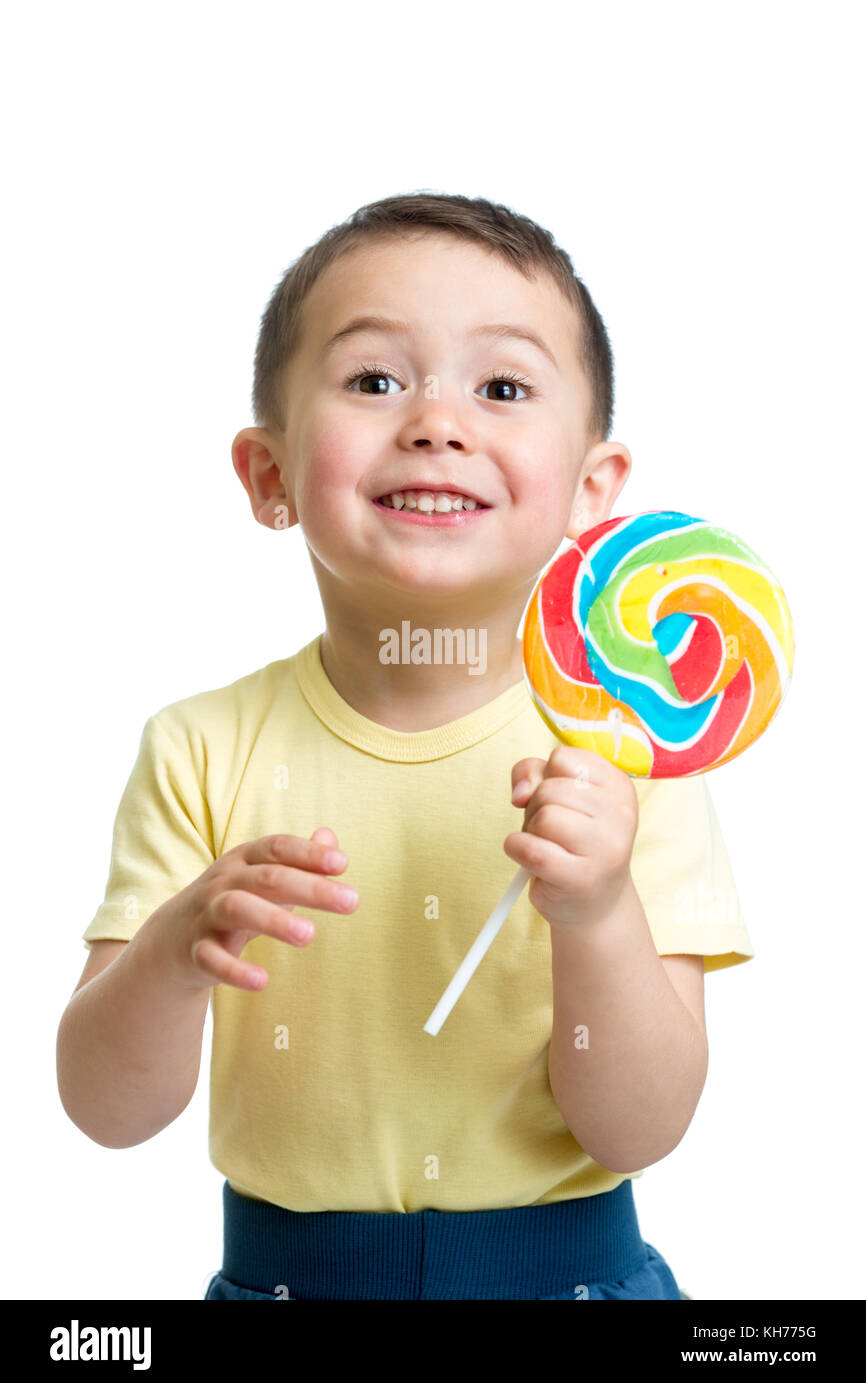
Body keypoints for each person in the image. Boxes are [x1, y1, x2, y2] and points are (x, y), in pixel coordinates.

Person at [56, 192, 753, 1300]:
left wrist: (598, 908)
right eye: (375, 380)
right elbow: (105, 1109)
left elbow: (639, 1127)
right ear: (268, 474)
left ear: (591, 491)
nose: (436, 421)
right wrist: (173, 947)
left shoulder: (625, 760)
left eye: (502, 387)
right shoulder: (200, 747)